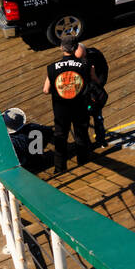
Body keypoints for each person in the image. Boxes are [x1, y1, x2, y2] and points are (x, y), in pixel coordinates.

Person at [42, 36, 97, 174]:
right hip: (80, 106)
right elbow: (96, 83)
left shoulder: (52, 68)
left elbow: (46, 90)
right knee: (81, 134)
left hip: (61, 109)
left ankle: (59, 168)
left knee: (60, 136)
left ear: (61, 48)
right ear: (75, 48)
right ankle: (83, 161)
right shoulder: (86, 65)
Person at [75, 41, 110, 147]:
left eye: (84, 56)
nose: (83, 59)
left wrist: (98, 83)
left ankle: (100, 139)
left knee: (98, 116)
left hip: (94, 89)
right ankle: (85, 143)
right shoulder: (71, 60)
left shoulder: (95, 54)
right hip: (80, 92)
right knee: (82, 120)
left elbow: (104, 69)